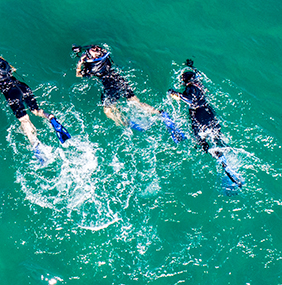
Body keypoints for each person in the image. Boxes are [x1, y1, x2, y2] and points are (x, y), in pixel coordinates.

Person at [0, 53, 71, 157]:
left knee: (24, 120)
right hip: (23, 87)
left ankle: (35, 144)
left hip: (12, 94)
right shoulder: (3, 65)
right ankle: (50, 118)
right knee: (36, 111)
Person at [166, 60, 244, 190]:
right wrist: (191, 66)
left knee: (202, 142)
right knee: (216, 138)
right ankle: (227, 164)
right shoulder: (199, 84)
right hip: (209, 113)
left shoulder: (189, 88)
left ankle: (221, 163)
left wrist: (176, 94)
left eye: (182, 78)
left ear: (186, 80)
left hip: (199, 116)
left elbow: (191, 100)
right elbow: (197, 75)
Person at [73, 44, 171, 131]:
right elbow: (95, 47)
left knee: (108, 111)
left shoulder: (92, 69)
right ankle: (160, 113)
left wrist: (80, 62)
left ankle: (126, 124)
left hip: (110, 86)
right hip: (119, 80)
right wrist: (82, 48)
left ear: (94, 57)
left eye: (94, 50)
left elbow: (78, 74)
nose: (94, 48)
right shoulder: (104, 55)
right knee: (136, 102)